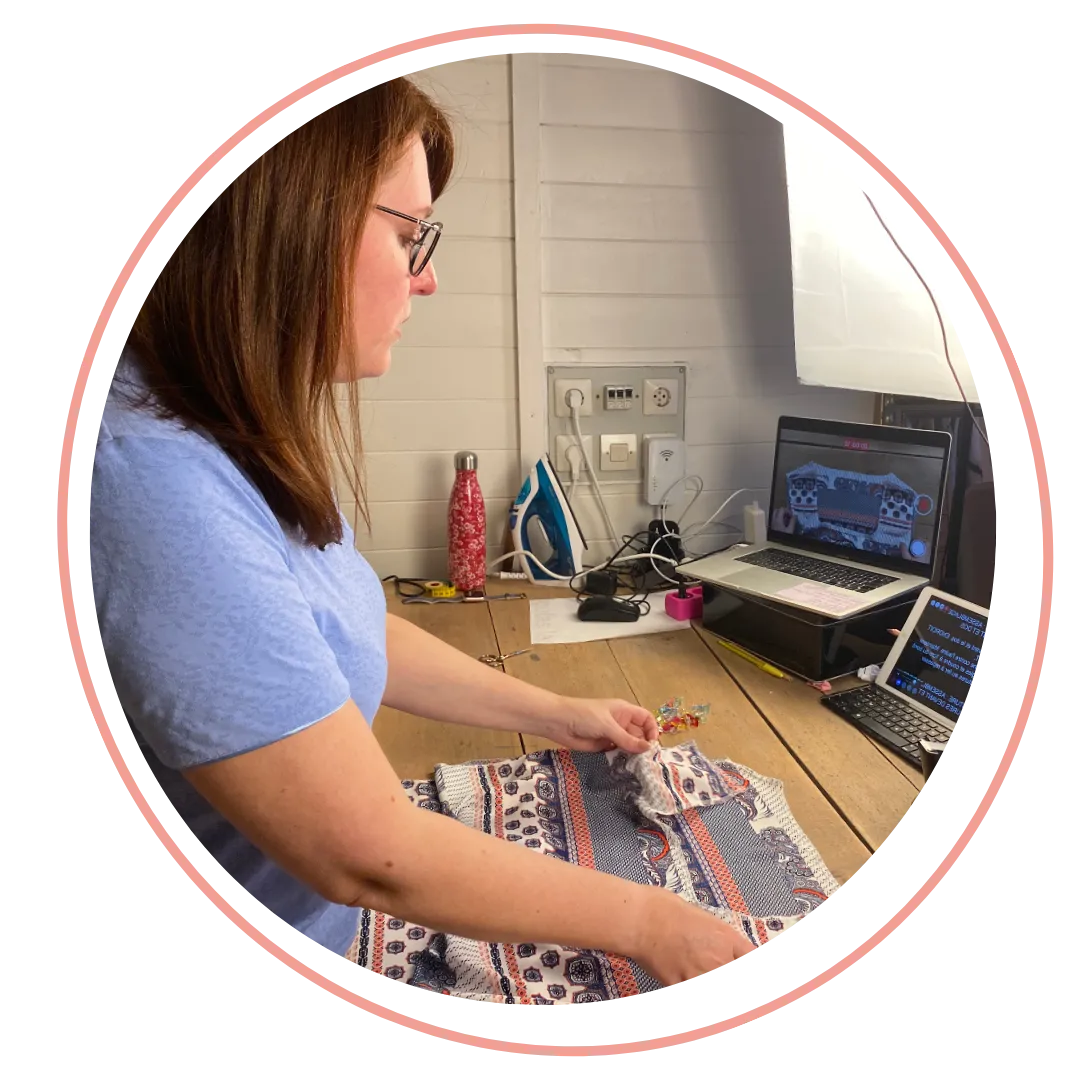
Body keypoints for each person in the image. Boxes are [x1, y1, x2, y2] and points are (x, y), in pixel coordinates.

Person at [87, 74, 755, 993]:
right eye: (409, 236)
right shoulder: (149, 485)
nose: (426, 276)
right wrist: (649, 922)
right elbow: (367, 856)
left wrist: (559, 715)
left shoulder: (214, 425)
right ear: (287, 222)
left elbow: (346, 633)